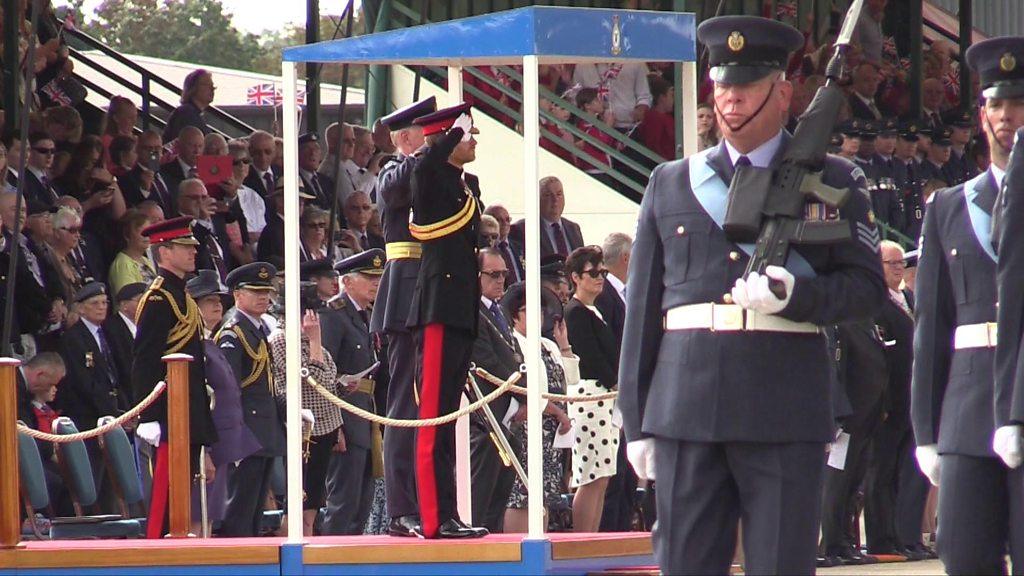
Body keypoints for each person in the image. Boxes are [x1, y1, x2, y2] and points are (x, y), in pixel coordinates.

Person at [619, 16, 885, 574]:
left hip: (783, 404)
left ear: (783, 94)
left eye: (746, 88)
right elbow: (642, 312)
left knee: (780, 564)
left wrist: (798, 297)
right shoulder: (671, 182)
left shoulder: (835, 180)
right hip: (685, 407)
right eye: (722, 87)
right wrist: (636, 421)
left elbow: (866, 290)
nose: (731, 100)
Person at [917, 36, 1024, 574]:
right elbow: (932, 328)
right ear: (982, 114)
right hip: (967, 413)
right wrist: (926, 431)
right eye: (997, 104)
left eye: (1019, 103)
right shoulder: (948, 207)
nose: (1007, 116)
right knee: (965, 558)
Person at [406, 103, 487, 539]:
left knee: (448, 420)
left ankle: (449, 514)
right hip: (438, 307)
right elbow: (425, 168)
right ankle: (434, 519)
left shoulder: (465, 185)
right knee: (432, 418)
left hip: (461, 310)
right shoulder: (430, 175)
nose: (474, 142)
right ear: (450, 137)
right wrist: (452, 135)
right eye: (469, 135)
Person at [368, 96, 436, 538]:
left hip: (432, 290)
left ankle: (431, 502)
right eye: (423, 134)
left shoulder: (429, 168)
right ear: (407, 137)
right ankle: (400, 508)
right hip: (404, 292)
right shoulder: (394, 169)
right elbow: (393, 192)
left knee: (431, 404)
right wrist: (425, 155)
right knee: (404, 404)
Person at [132, 216, 217, 539]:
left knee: (182, 495)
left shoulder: (182, 295)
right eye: (184, 247)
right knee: (165, 499)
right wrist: (148, 414)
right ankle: (158, 554)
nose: (192, 252)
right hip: (167, 411)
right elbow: (145, 360)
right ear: (163, 252)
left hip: (187, 410)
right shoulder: (158, 298)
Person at [864, 241, 932, 560]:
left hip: (911, 398)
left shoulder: (907, 298)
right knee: (881, 472)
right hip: (888, 401)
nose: (897, 269)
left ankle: (905, 536)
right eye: (890, 263)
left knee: (907, 472)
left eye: (900, 263)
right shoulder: (873, 302)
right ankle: (881, 538)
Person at [186, 270, 261, 537]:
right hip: (207, 442)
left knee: (210, 515)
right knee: (198, 515)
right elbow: (199, 399)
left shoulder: (208, 341)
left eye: (218, 299)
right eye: (208, 300)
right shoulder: (192, 345)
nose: (217, 304)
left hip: (223, 443)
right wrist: (203, 449)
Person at [271, 260, 343, 536]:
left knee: (314, 493)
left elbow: (329, 380)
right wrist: (314, 343)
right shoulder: (281, 340)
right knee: (298, 493)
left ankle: (309, 532)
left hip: (325, 426)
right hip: (302, 429)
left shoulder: (312, 340)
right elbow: (311, 382)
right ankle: (294, 535)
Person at [217, 262, 285, 537]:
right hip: (246, 430)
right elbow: (228, 387)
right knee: (240, 509)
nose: (263, 297)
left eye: (266, 292)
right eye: (255, 291)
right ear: (237, 295)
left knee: (254, 508)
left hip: (263, 430)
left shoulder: (255, 330)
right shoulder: (234, 333)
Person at [501, 282, 575, 533]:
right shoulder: (513, 343)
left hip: (552, 435)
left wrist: (563, 345)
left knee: (544, 496)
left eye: (540, 311)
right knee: (523, 493)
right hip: (528, 429)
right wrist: (557, 412)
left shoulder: (548, 345)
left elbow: (571, 379)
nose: (536, 316)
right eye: (527, 310)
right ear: (514, 314)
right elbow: (525, 388)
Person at [320, 249, 385, 535]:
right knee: (342, 501)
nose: (376, 283)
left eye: (378, 277)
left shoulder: (366, 315)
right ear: (347, 282)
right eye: (369, 277)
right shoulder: (333, 315)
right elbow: (323, 372)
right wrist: (334, 426)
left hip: (366, 414)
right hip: (345, 415)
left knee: (362, 502)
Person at [563, 246, 619, 532]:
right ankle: (582, 539)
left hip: (604, 398)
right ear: (575, 277)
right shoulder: (575, 312)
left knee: (603, 474)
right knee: (590, 474)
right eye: (593, 273)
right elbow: (590, 356)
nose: (600, 278)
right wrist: (614, 381)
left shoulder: (593, 310)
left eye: (603, 272)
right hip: (589, 396)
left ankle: (592, 537)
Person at [468, 248, 521, 533]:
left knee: (498, 495)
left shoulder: (496, 310)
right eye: (493, 274)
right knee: (480, 494)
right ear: (477, 276)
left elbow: (513, 356)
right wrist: (521, 391)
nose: (500, 280)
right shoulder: (472, 310)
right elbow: (487, 362)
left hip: (506, 410)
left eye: (504, 274)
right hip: (485, 414)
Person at [509, 176, 584, 259]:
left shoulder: (574, 228)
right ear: (537, 199)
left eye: (559, 194)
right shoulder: (522, 229)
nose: (555, 200)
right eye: (548, 195)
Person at [108, 208, 157, 294]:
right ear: (127, 235)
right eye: (142, 232)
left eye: (149, 231)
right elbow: (128, 299)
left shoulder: (145, 260)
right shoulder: (123, 264)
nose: (147, 236)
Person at [162, 69, 214, 142]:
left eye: (212, 85)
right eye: (206, 84)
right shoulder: (187, 113)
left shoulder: (192, 113)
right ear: (193, 88)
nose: (212, 89)